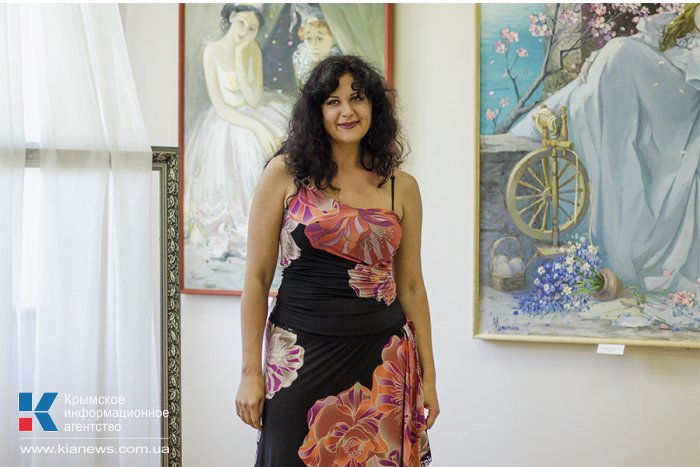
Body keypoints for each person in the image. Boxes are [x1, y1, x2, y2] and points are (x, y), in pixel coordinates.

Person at [235, 55, 438, 466]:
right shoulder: (284, 174)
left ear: (374, 107)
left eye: (357, 98)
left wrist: (429, 379)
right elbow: (257, 279)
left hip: (384, 360)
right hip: (300, 356)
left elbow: (412, 287)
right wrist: (250, 373)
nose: (347, 111)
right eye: (333, 101)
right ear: (317, 111)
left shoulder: (402, 187)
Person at [511, 4, 700, 292]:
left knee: (620, 55)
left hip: (676, 100)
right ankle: (581, 112)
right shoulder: (674, 24)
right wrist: (596, 56)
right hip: (655, 80)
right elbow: (644, 41)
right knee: (603, 71)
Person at [183, 4, 290, 263]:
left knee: (280, 137)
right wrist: (256, 126)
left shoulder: (251, 49)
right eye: (241, 23)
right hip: (226, 118)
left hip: (253, 110)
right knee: (247, 141)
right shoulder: (212, 51)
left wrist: (242, 56)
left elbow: (253, 100)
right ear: (231, 17)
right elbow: (221, 108)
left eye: (252, 28)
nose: (245, 32)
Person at [291, 9, 341, 86]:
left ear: (332, 39)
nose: (313, 45)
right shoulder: (300, 61)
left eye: (319, 39)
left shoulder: (339, 65)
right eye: (308, 38)